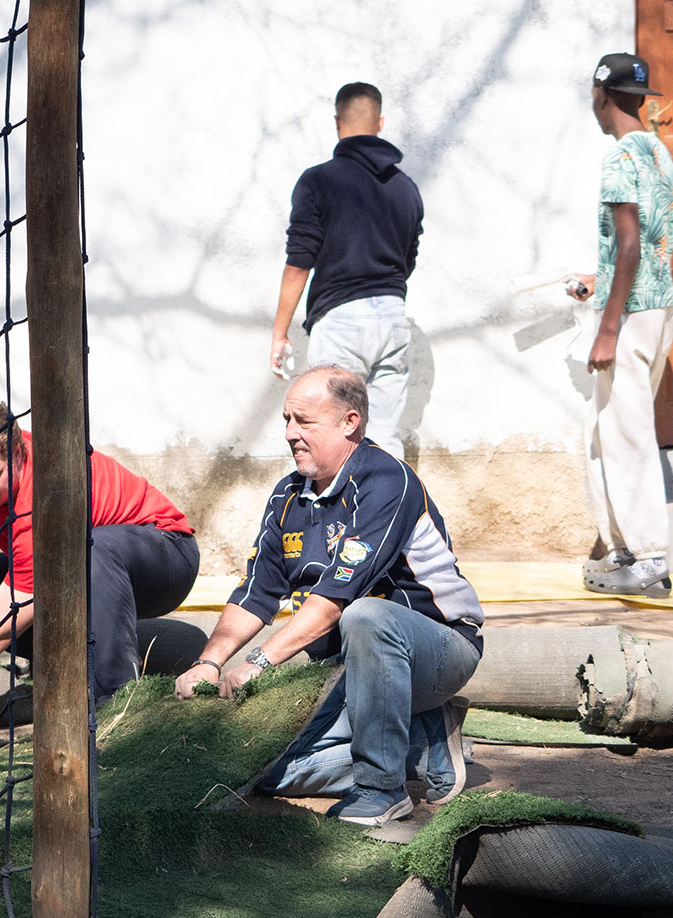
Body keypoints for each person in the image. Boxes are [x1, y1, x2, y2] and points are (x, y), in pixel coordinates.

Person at [172, 367, 482, 826]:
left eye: (304, 421)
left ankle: (382, 789)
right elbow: (257, 591)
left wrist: (255, 665)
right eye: (286, 420)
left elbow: (335, 600)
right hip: (347, 671)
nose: (289, 434)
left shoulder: (385, 480)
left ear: (349, 422)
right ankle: (425, 742)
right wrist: (210, 662)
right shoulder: (287, 495)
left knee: (367, 615)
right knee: (267, 770)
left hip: (437, 650)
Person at [0, 396, 200, 711]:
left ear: (17, 454)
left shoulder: (42, 498)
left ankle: (114, 701)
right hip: (86, 564)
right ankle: (63, 671)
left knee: (89, 553)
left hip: (165, 556)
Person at [569, 53, 673, 598]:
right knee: (602, 434)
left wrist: (607, 327)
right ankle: (623, 553)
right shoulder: (660, 153)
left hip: (632, 316)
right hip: (659, 308)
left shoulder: (618, 158)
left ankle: (650, 556)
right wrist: (599, 277)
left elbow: (632, 245)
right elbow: (641, 248)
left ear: (602, 94)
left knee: (627, 437)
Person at [268, 82, 424, 458]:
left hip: (341, 320)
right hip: (392, 316)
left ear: (338, 123)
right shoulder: (406, 189)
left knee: (329, 439)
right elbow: (409, 258)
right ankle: (391, 515)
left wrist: (280, 330)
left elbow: (300, 259)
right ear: (380, 122)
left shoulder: (318, 180)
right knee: (385, 436)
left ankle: (336, 518)